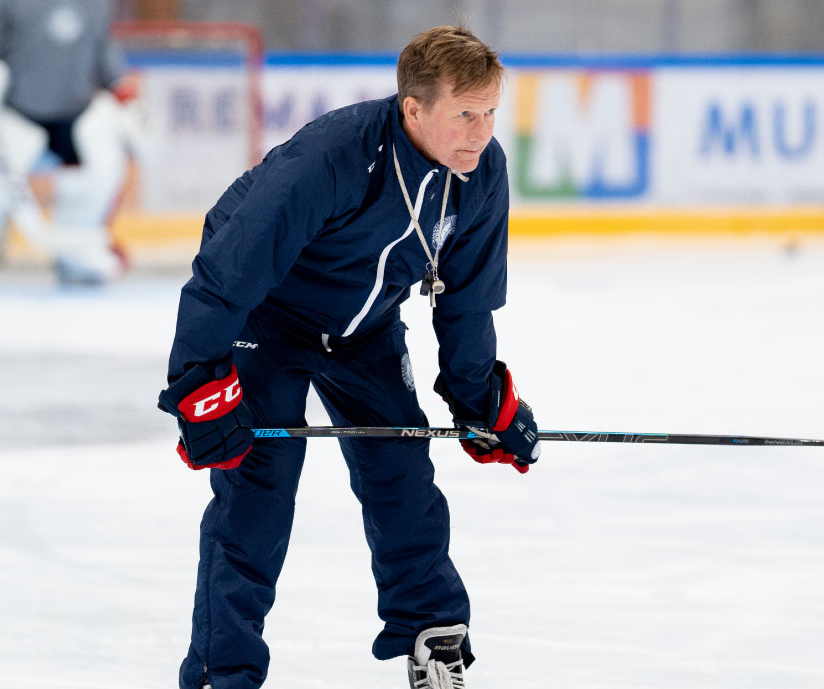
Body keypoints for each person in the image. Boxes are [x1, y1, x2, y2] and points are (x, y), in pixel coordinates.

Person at [157, 25, 540, 689]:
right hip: (269, 317)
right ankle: (224, 670)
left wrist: (481, 402)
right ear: (414, 108)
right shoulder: (334, 156)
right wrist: (200, 384)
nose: (480, 133)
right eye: (464, 114)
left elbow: (467, 303)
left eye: (489, 113)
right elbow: (229, 268)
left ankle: (433, 636)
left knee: (402, 472)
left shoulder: (481, 176)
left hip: (364, 328)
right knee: (258, 488)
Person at [0, 0, 136, 284]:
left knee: (102, 167)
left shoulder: (96, 4)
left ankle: (78, 255)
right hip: (15, 112)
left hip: (75, 115)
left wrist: (126, 97)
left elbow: (105, 61)